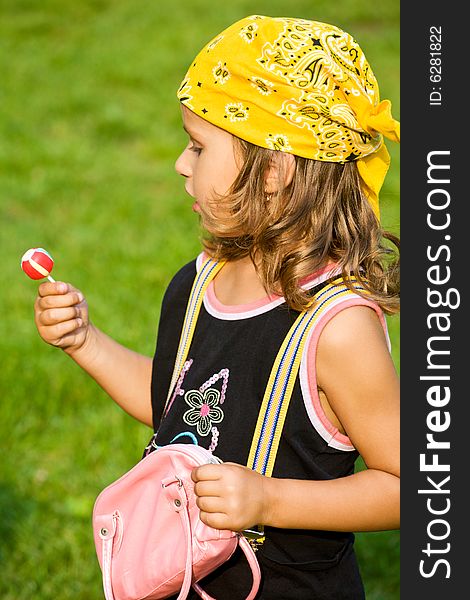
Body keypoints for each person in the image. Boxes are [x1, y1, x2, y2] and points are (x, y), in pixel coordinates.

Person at [33, 15, 400, 600]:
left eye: (198, 146)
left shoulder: (337, 328)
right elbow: (178, 409)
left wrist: (270, 499)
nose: (181, 163)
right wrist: (86, 342)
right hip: (181, 581)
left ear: (276, 170)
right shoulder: (199, 281)